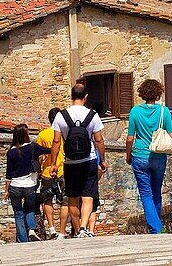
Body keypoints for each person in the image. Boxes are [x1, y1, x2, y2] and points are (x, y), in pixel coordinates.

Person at [126, 78, 172, 234]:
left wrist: (128, 156)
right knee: (156, 191)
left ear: (142, 93)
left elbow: (130, 138)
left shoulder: (135, 111)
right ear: (158, 93)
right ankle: (156, 225)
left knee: (145, 193)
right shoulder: (163, 111)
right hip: (159, 157)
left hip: (140, 156)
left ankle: (155, 228)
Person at [51, 83, 107, 238]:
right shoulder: (93, 115)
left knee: (73, 198)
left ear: (71, 96)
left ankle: (78, 231)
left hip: (70, 162)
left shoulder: (60, 116)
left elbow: (56, 142)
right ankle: (84, 227)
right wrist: (102, 160)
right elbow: (99, 140)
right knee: (88, 196)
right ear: (86, 97)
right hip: (89, 159)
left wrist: (54, 164)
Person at [4, 123, 50, 243]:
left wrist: (6, 191)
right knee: (30, 209)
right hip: (30, 185)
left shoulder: (11, 152)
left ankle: (23, 241)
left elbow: (9, 174)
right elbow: (49, 150)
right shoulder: (33, 147)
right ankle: (32, 229)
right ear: (26, 134)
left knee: (18, 213)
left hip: (15, 186)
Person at [35, 108, 67, 239]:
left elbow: (38, 155)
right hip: (62, 170)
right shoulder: (64, 134)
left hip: (47, 172)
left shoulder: (42, 135)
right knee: (65, 202)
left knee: (47, 200)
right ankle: (62, 231)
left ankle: (51, 228)